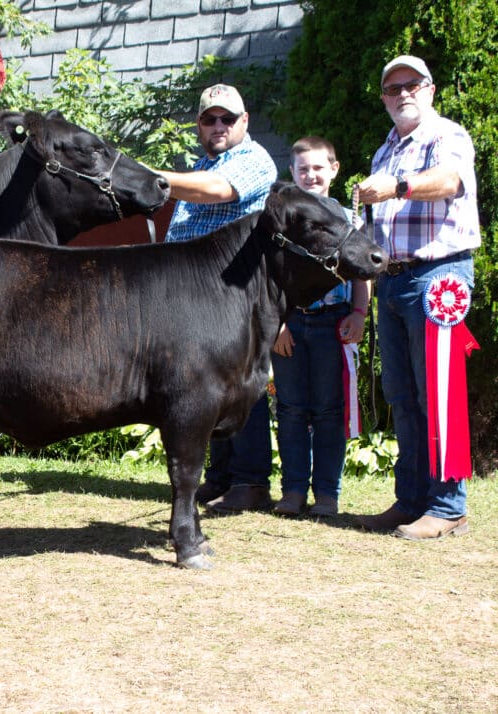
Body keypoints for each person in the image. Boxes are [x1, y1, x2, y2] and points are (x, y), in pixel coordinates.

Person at [356, 55, 480, 539]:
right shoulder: (384, 149)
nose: (403, 93)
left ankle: (448, 507)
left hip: (438, 278)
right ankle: (410, 500)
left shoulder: (447, 135)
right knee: (403, 398)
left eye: (412, 84)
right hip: (392, 278)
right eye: (393, 88)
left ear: (430, 90)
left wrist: (398, 187)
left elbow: (448, 182)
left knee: (439, 395)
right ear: (384, 99)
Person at [158, 83, 278, 513]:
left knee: (239, 386)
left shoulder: (253, 160)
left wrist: (157, 181)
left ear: (244, 122)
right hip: (195, 294)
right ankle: (222, 476)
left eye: (227, 118)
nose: (218, 126)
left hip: (234, 292)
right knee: (207, 388)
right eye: (209, 119)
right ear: (199, 126)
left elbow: (217, 191)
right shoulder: (199, 164)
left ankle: (252, 481)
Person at [271, 136, 370, 517]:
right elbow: (275, 275)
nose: (310, 175)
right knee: (291, 409)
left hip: (335, 324)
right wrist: (278, 323)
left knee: (329, 411)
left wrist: (358, 314)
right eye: (302, 169)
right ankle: (293, 491)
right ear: (292, 174)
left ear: (334, 169)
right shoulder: (286, 222)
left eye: (317, 167)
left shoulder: (349, 218)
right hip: (293, 325)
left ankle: (327, 494)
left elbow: (362, 273)